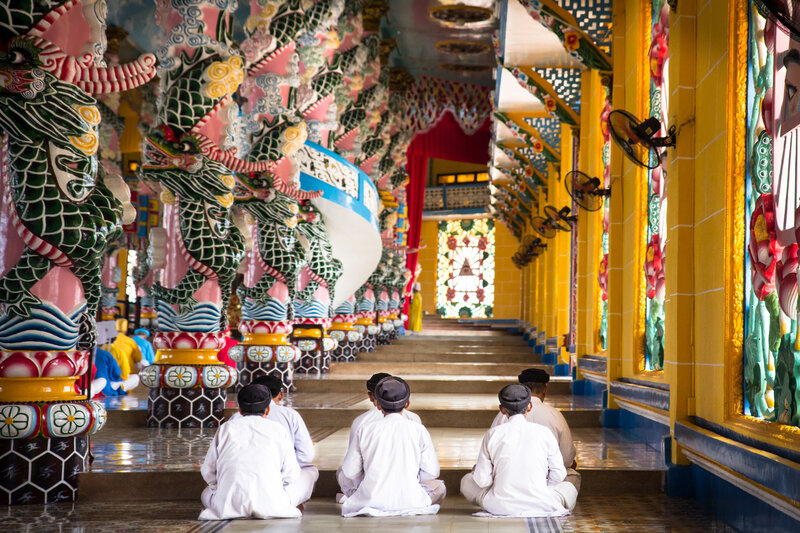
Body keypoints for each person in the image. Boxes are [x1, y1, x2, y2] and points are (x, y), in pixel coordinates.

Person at [199, 384, 313, 520]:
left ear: (239, 410)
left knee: (206, 493)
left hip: (228, 505)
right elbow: (291, 474)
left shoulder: (226, 428)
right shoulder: (278, 429)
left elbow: (208, 471)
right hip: (273, 504)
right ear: (268, 409)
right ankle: (289, 503)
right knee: (309, 475)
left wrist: (221, 488)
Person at [460, 384, 577, 517]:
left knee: (467, 481)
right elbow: (558, 474)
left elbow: (482, 480)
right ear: (530, 406)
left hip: (499, 506)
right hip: (541, 503)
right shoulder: (544, 433)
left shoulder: (493, 434)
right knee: (569, 488)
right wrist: (541, 489)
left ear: (502, 409)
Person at [338, 376, 445, 517]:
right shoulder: (418, 429)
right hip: (410, 501)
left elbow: (350, 471)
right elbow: (432, 472)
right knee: (439, 487)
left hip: (370, 500)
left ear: (379, 405)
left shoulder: (364, 429)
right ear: (407, 404)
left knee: (342, 473)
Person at [490, 368, 580, 491]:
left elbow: (490, 456)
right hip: (544, 484)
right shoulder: (554, 414)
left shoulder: (502, 415)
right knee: (571, 476)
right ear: (545, 389)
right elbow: (567, 459)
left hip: (508, 483)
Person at [336, 373, 421, 499]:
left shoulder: (361, 423)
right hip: (407, 489)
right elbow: (428, 469)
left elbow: (352, 469)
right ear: (406, 402)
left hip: (370, 491)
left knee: (342, 471)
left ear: (371, 397)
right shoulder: (415, 421)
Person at [229, 374, 316, 468]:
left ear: (240, 410)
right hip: (281, 472)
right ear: (267, 410)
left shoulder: (234, 420)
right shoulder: (290, 415)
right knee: (311, 471)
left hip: (241, 472)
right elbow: (306, 455)